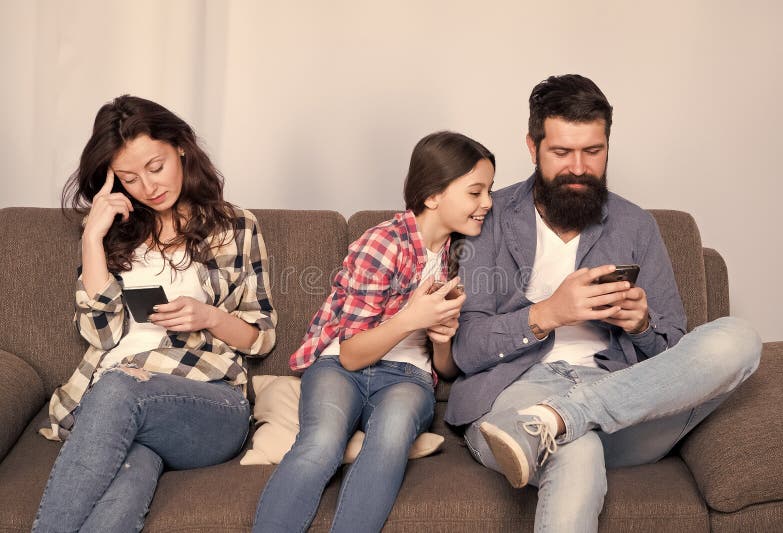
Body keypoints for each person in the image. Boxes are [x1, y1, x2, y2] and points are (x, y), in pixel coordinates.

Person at [445, 74, 762, 532]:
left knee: (740, 338)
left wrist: (642, 326)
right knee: (577, 448)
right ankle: (552, 422)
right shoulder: (487, 217)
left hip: (624, 399)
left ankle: (559, 418)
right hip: (517, 395)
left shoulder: (636, 226)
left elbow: (674, 356)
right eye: (561, 153)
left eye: (593, 152)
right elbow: (465, 350)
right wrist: (548, 313)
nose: (579, 167)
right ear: (532, 148)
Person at [33, 95, 277, 533]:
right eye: (129, 178)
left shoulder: (237, 226)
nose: (147, 187)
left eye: (156, 167)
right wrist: (92, 239)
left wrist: (209, 317)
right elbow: (100, 336)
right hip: (114, 399)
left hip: (207, 403)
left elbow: (261, 337)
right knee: (131, 473)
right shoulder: (112, 233)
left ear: (181, 146)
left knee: (119, 388)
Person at [252, 131, 495, 532]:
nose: (487, 203)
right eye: (475, 192)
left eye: (489, 191)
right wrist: (411, 318)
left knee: (391, 438)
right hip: (340, 368)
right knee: (321, 443)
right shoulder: (384, 242)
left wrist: (442, 339)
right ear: (433, 196)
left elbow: (447, 370)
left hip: (408, 379)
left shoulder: (466, 255)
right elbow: (350, 354)